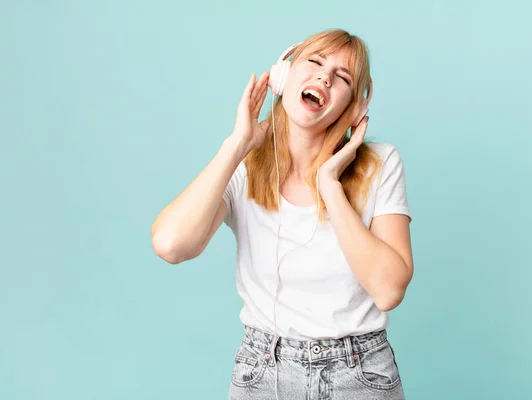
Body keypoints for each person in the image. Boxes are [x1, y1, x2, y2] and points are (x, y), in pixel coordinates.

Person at [151, 29, 414, 400]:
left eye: (342, 78)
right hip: (263, 371)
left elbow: (388, 290)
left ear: (353, 107)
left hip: (359, 373)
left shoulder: (380, 163)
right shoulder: (243, 167)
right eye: (316, 63)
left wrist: (329, 186)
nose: (324, 77)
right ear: (281, 76)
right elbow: (170, 244)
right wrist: (237, 144)